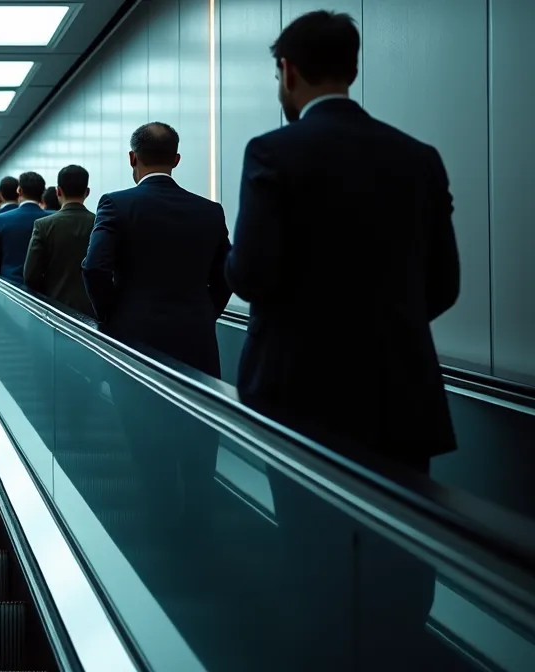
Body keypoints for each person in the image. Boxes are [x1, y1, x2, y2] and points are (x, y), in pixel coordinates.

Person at [229, 12, 460, 670]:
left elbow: (253, 274)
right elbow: (443, 284)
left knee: (312, 553)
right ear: (352, 70)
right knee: (402, 555)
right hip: (400, 392)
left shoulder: (273, 154)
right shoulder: (418, 158)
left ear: (288, 71)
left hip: (298, 392)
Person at [81, 123, 231, 377]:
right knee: (196, 410)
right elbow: (227, 273)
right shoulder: (210, 210)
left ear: (132, 157)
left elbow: (95, 267)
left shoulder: (115, 204)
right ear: (176, 159)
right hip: (196, 337)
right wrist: (205, 312)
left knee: (135, 411)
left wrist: (111, 313)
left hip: (133, 334)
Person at [24, 165, 97, 318]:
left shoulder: (43, 225)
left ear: (58, 191)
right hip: (94, 308)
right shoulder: (100, 223)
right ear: (87, 192)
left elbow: (30, 275)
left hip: (55, 305)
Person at [0, 171, 50, 286]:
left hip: (10, 284)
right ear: (42, 193)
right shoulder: (51, 219)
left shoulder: (1, 219)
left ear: (19, 191)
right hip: (44, 288)